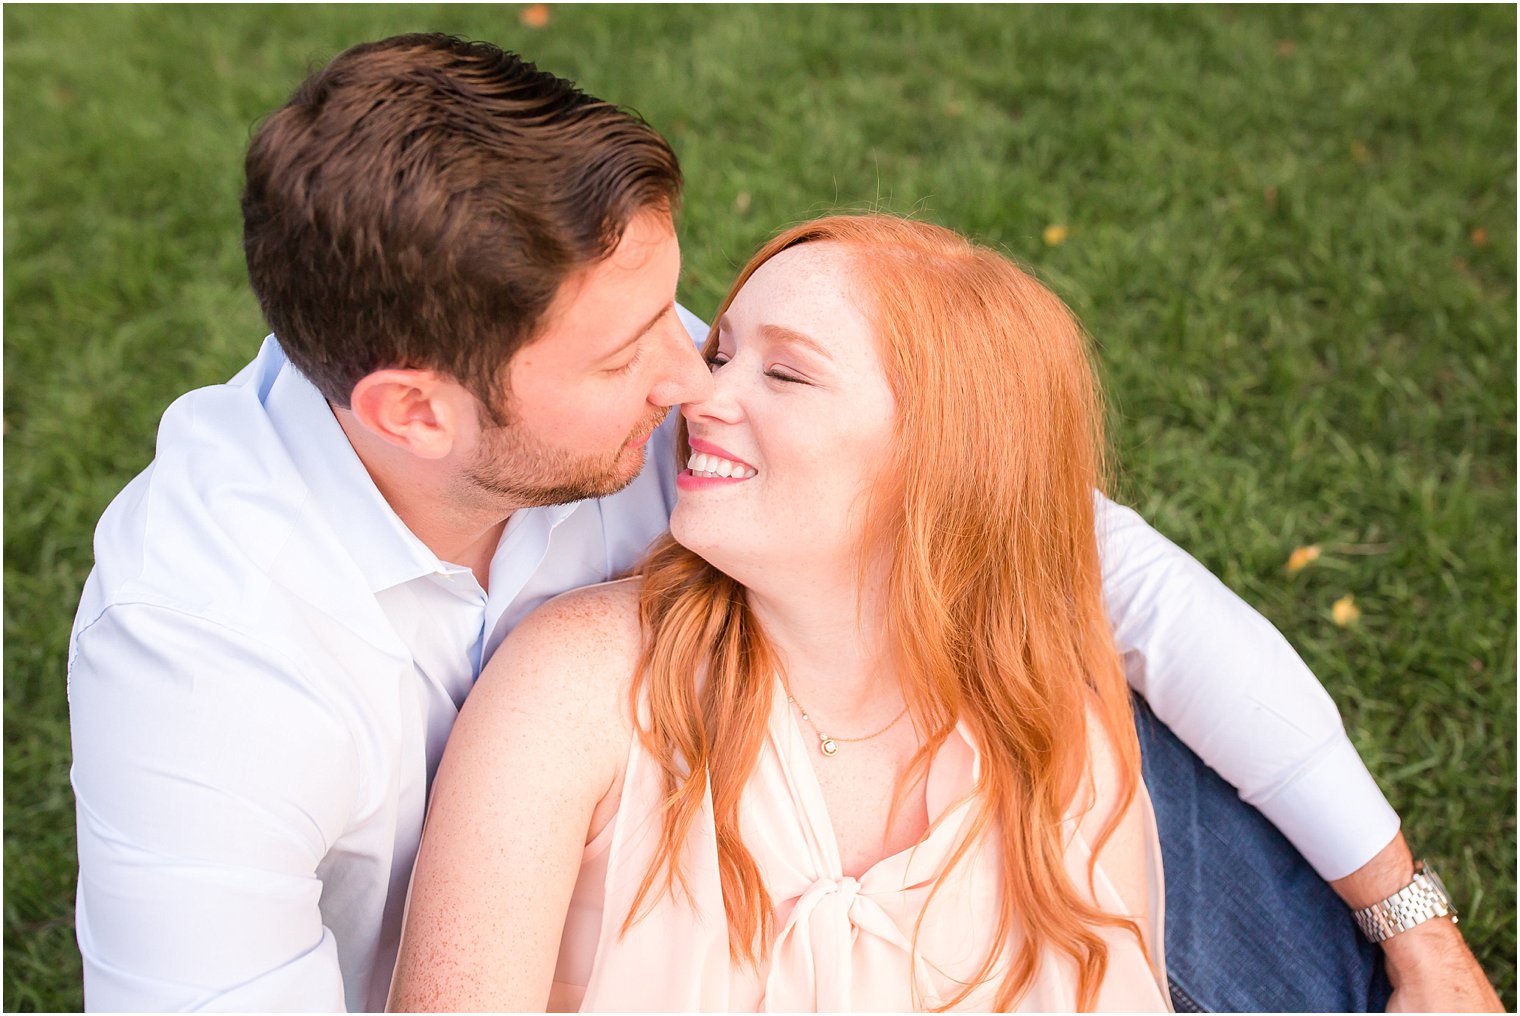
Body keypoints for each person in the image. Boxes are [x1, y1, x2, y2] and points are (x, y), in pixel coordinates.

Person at [66, 32, 1498, 1013]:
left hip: (849, 725)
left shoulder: (655, 393)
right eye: (636, 357)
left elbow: (1089, 568)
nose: (693, 377)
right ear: (417, 414)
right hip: (592, 883)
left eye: (707, 328)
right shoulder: (206, 670)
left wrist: (1410, 916)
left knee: (1098, 702)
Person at [388, 213, 1172, 1011]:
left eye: (787, 374)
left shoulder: (1061, 744)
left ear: (945, 460)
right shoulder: (581, 684)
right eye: (721, 353)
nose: (700, 393)